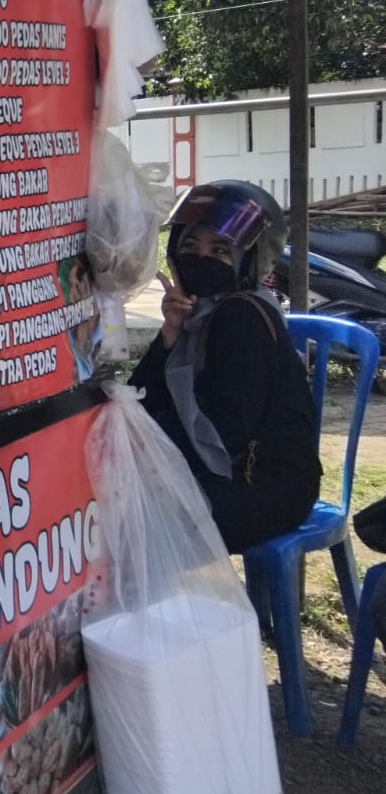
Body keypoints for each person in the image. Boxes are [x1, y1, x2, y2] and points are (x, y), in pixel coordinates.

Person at [130, 181, 320, 553]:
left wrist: (153, 455)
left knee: (131, 519)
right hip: (227, 473)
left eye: (220, 252)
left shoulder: (240, 315)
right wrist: (170, 332)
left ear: (247, 261)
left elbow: (226, 431)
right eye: (190, 247)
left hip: (262, 487)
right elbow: (143, 401)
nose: (201, 260)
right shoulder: (200, 315)